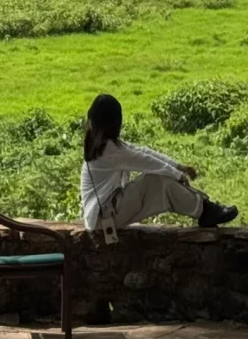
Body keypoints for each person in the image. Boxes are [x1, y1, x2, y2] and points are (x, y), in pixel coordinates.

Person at [81, 92, 238, 236]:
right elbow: (145, 161)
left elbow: (142, 152)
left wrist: (177, 167)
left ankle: (205, 208)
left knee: (157, 179)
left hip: (104, 215)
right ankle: (205, 210)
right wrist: (176, 175)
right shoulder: (109, 150)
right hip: (104, 219)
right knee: (156, 180)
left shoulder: (101, 145)